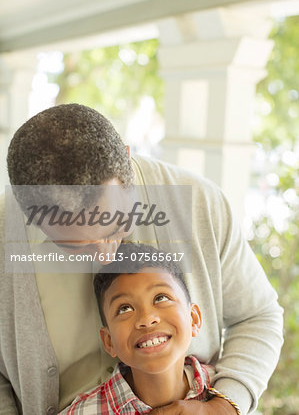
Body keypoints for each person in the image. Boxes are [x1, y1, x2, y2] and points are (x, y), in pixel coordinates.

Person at [0, 103, 283, 415]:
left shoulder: (200, 201)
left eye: (115, 226)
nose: (108, 255)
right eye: (75, 246)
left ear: (126, 158)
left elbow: (257, 317)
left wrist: (225, 406)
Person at [60, 242, 235, 414]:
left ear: (193, 319)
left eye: (160, 298)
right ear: (109, 341)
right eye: (125, 308)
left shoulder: (228, 391)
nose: (146, 319)